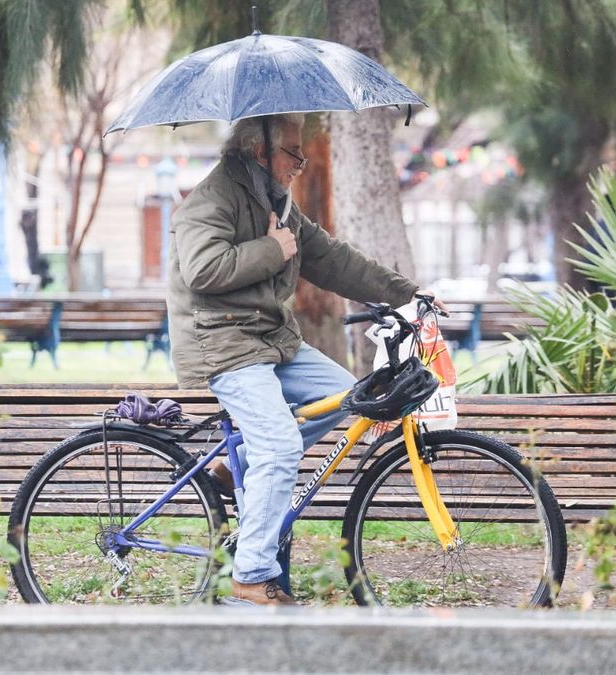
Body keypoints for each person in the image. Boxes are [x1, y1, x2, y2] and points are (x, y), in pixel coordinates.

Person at [166, 113, 441, 605]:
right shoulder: (211, 200)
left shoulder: (276, 201)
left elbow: (333, 259)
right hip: (222, 342)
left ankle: (238, 465)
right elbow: (203, 270)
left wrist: (406, 293)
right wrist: (272, 248)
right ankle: (250, 576)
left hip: (271, 338)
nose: (302, 161)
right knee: (280, 449)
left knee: (347, 397)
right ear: (260, 151)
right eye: (293, 152)